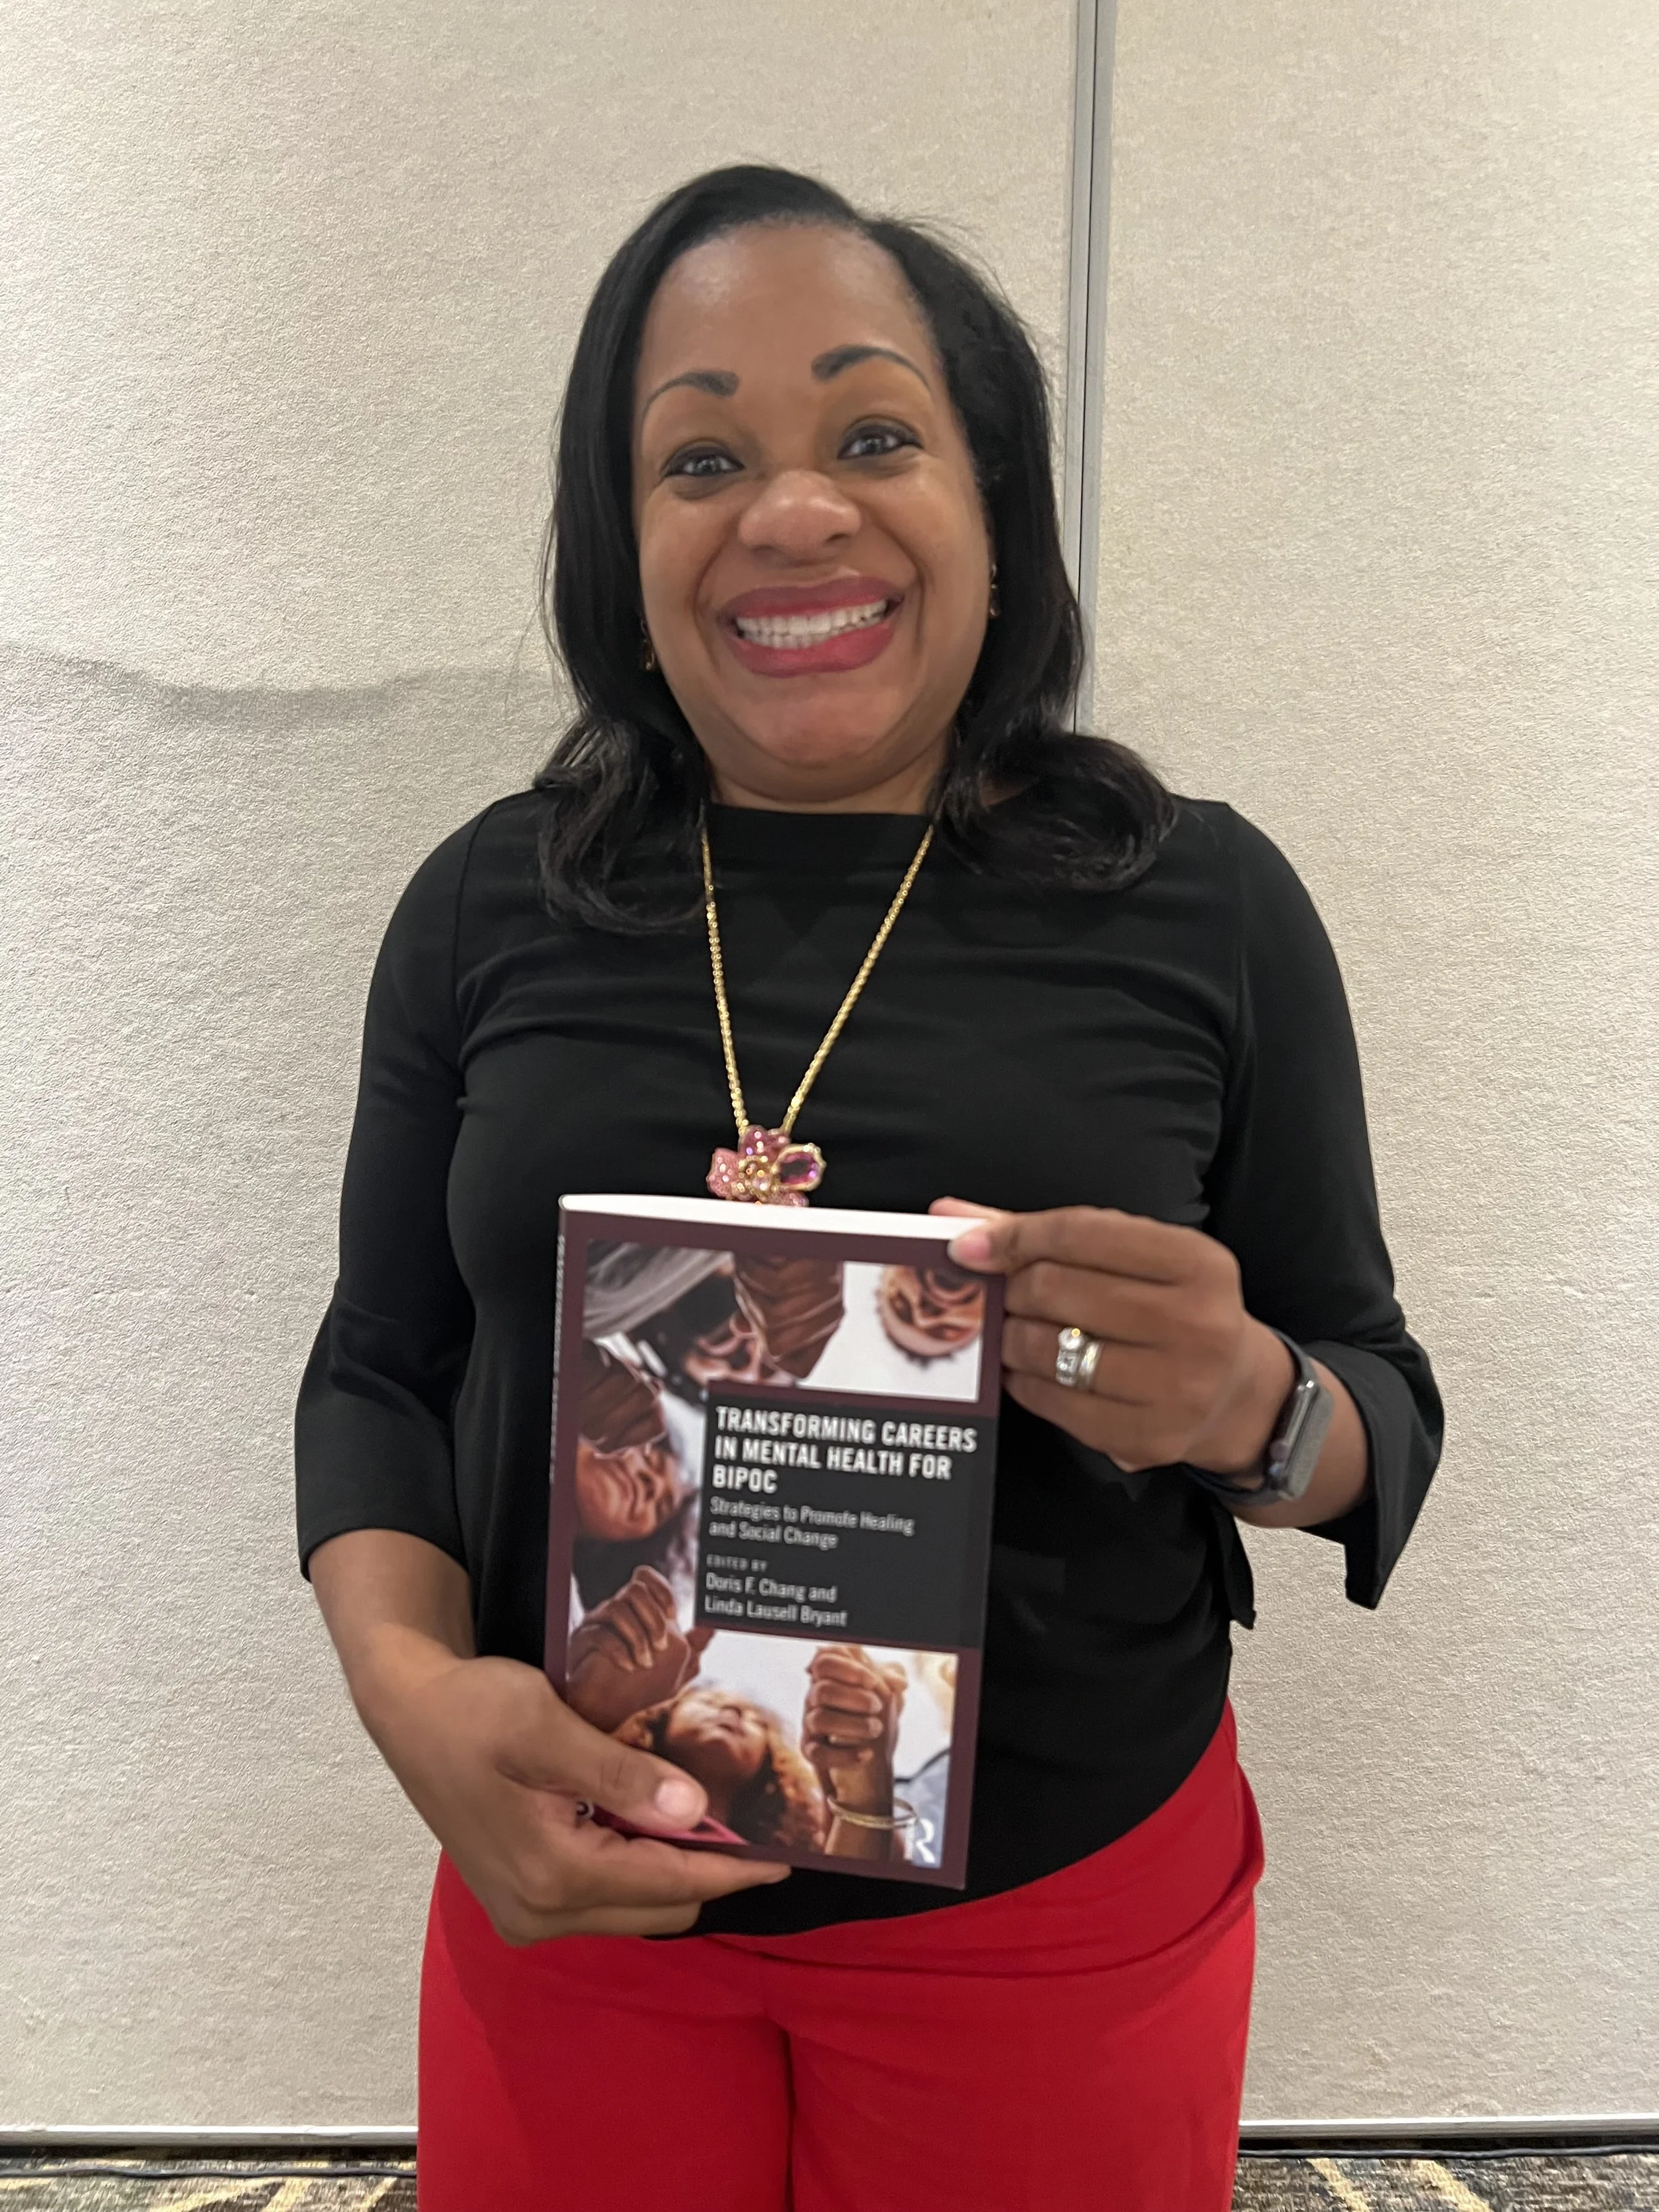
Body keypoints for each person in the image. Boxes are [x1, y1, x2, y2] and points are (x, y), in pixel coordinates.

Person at [295, 162, 1443, 2211]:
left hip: (1060, 1921)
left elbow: (1375, 1407)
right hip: (586, 1901)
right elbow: (380, 1366)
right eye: (700, 455)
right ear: (619, 541)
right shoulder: (489, 903)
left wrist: (1255, 1405)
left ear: (991, 498)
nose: (792, 509)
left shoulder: (1204, 903)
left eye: (874, 432)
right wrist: (409, 1694)